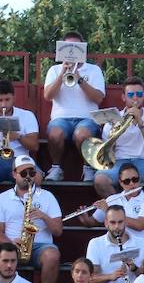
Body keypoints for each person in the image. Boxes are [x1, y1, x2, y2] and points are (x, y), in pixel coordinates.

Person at [90, 78, 144, 203]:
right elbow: (107, 152)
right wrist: (116, 132)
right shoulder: (113, 118)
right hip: (119, 162)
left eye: (139, 94)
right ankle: (122, 209)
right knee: (100, 180)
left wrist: (140, 122)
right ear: (123, 97)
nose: (135, 98)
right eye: (130, 94)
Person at [0, 156, 62, 283]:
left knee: (52, 256)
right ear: (14, 174)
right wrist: (9, 243)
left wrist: (43, 216)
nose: (28, 177)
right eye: (24, 173)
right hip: (13, 244)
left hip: (39, 246)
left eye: (32, 173)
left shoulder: (47, 197)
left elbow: (58, 231)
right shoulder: (3, 198)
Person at [43, 30, 106, 182]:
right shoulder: (54, 70)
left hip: (87, 118)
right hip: (60, 118)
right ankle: (56, 168)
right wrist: (62, 74)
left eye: (76, 47)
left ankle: (88, 168)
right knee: (55, 133)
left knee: (82, 135)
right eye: (68, 47)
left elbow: (98, 98)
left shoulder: (94, 70)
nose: (72, 50)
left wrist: (79, 79)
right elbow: (48, 96)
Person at [83, 161, 144, 250]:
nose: (131, 184)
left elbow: (140, 225)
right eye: (126, 181)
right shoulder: (112, 199)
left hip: (139, 247)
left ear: (140, 179)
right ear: (120, 182)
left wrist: (108, 211)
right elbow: (93, 222)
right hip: (115, 246)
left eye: (135, 179)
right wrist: (85, 218)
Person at [83, 204, 141, 283]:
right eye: (112, 222)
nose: (117, 227)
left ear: (126, 222)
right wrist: (111, 276)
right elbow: (91, 278)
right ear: (106, 223)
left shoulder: (141, 243)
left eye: (120, 222)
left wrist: (134, 268)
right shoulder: (95, 243)